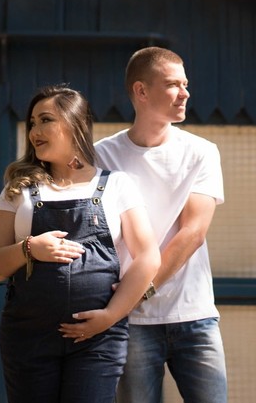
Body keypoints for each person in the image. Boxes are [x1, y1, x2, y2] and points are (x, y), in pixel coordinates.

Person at [0, 85, 160, 403]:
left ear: (75, 124)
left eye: (45, 120)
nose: (35, 130)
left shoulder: (116, 185)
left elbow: (147, 258)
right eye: (32, 122)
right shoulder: (18, 189)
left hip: (98, 341)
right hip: (28, 338)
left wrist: (110, 316)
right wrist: (29, 249)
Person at [93, 47, 227, 403]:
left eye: (185, 84)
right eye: (172, 85)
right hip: (132, 325)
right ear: (141, 91)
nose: (185, 93)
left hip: (194, 315)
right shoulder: (101, 156)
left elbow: (193, 233)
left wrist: (139, 291)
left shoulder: (202, 152)